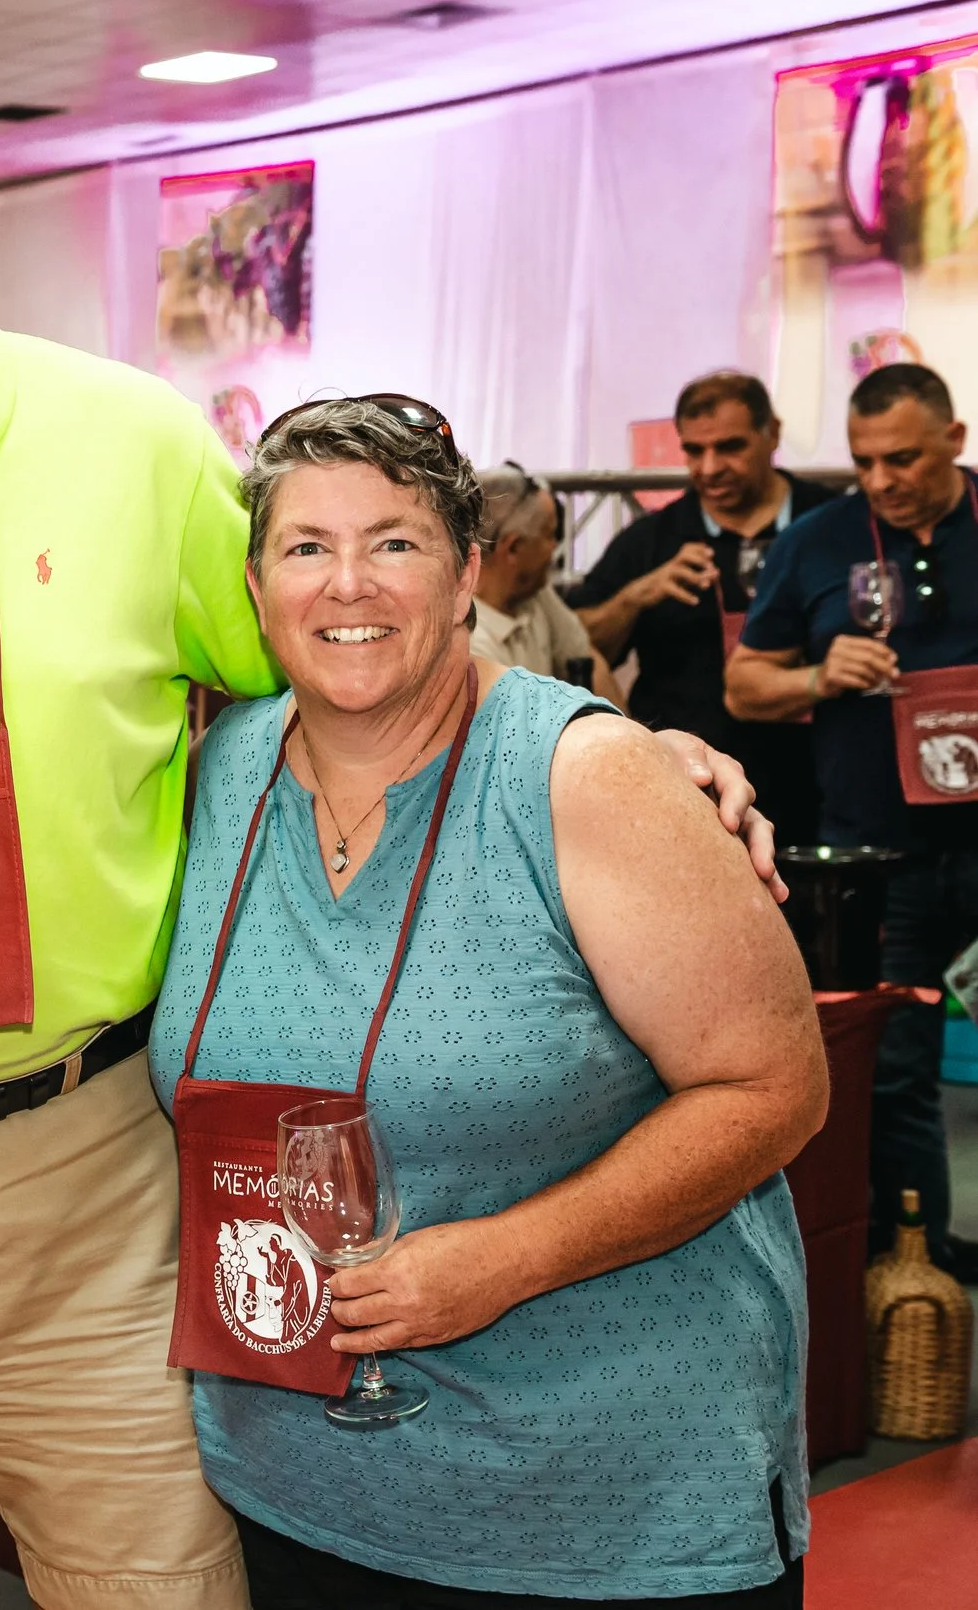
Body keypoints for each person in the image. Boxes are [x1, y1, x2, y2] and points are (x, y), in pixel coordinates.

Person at [0, 32, 780, 1610]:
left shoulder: (133, 441)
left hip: (93, 1146)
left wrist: (621, 753)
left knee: (154, 1577)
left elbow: (345, 646)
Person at [150, 395, 820, 1607]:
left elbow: (774, 1089)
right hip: (294, 1490)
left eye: (393, 542)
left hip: (599, 1510)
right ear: (255, 588)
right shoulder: (215, 771)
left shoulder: (587, 776)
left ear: (466, 574)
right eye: (307, 547)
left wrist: (508, 1257)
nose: (347, 584)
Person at [728, 360, 978, 1275]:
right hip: (882, 857)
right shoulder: (822, 540)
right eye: (866, 461)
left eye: (904, 457)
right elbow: (743, 683)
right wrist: (815, 677)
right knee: (900, 1071)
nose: (882, 479)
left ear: (954, 439)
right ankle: (920, 1270)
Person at [570, 371, 838, 836]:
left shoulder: (831, 526)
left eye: (730, 447)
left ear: (772, 434)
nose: (710, 468)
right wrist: (636, 597)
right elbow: (576, 647)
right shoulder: (652, 540)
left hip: (825, 788)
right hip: (692, 794)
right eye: (694, 450)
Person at [466, 465, 623, 707]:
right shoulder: (469, 639)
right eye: (549, 535)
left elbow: (585, 658)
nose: (554, 548)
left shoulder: (534, 591)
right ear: (514, 547)